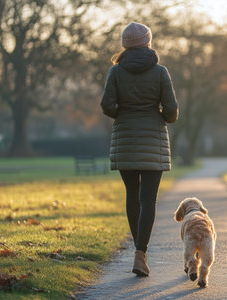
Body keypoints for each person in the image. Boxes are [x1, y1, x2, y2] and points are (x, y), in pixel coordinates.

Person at [100, 22, 178, 277]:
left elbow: (107, 105)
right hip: (153, 139)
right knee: (148, 199)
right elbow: (171, 110)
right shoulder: (160, 72)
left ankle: (139, 253)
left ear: (125, 45)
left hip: (125, 138)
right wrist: (161, 114)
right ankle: (140, 253)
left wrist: (122, 112)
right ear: (148, 42)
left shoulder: (115, 72)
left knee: (132, 196)